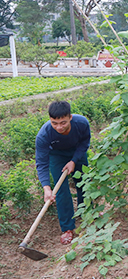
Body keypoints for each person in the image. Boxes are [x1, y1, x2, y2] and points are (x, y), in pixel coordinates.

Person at [35, 101, 90, 245]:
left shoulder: (82, 123)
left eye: (63, 123)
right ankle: (67, 228)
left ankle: (87, 214)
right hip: (57, 156)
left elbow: (85, 142)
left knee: (83, 183)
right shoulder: (44, 134)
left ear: (70, 117)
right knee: (61, 190)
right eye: (54, 123)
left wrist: (74, 160)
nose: (59, 127)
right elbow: (41, 162)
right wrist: (46, 187)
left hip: (77, 151)